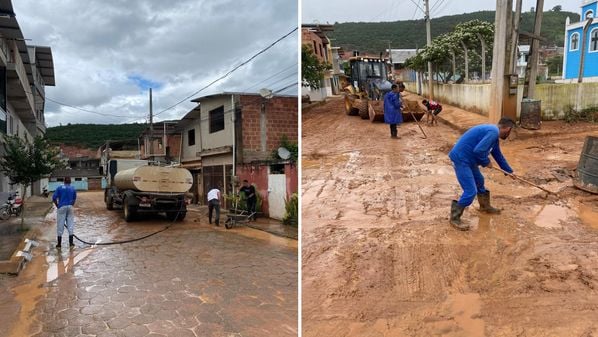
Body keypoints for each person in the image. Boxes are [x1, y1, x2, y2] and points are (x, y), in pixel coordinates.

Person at [448, 117, 516, 231]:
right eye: (511, 131)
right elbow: (479, 151)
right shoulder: (493, 132)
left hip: (470, 159)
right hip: (461, 159)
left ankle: (484, 207)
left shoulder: (494, 136)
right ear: (508, 129)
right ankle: (454, 218)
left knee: (480, 181)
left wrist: (509, 171)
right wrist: (486, 162)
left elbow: (498, 155)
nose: (509, 134)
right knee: (470, 191)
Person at [52, 177, 77, 248]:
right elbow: (74, 199)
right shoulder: (73, 188)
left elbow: (54, 198)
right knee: (70, 224)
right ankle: (71, 243)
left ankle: (59, 244)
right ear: (70, 182)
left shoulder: (59, 188)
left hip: (61, 207)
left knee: (60, 224)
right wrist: (71, 205)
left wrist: (57, 206)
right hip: (70, 207)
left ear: (64, 181)